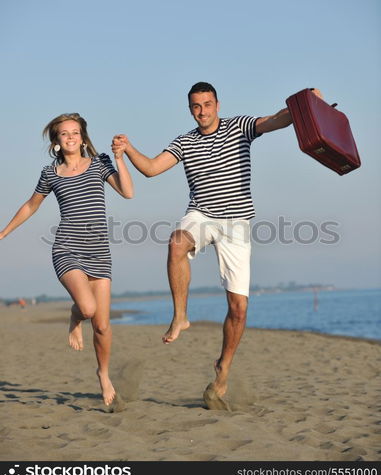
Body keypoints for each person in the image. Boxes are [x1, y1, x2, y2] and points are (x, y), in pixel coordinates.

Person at [112, 82, 322, 409]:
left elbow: (278, 120)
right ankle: (180, 316)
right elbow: (152, 169)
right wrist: (129, 149)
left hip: (237, 224)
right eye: (196, 106)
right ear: (190, 109)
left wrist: (306, 103)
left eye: (207, 104)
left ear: (218, 105)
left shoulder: (240, 127)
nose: (202, 111)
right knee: (176, 243)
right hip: (202, 214)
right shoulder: (185, 142)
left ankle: (222, 369)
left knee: (238, 309)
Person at [0, 113, 134, 406]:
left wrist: (120, 159)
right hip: (67, 248)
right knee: (87, 308)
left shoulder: (100, 164)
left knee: (102, 326)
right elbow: (30, 205)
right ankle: (75, 316)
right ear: (57, 142)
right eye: (64, 133)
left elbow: (127, 192)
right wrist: (3, 233)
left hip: (99, 252)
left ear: (83, 138)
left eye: (76, 132)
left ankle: (103, 373)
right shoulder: (50, 173)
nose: (71, 137)